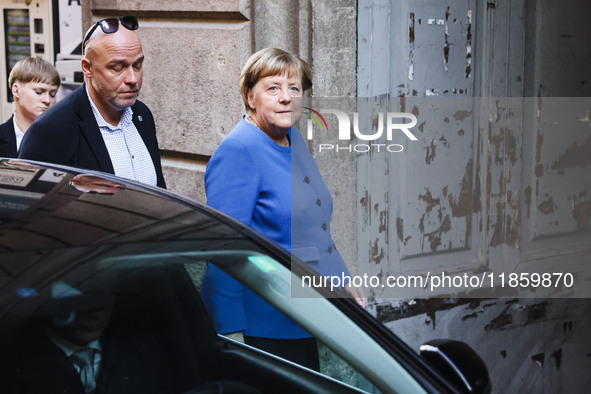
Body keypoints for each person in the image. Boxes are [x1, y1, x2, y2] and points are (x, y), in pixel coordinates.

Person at [201, 47, 364, 371]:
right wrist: (230, 332)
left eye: (295, 88)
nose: (286, 98)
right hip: (264, 326)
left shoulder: (292, 139)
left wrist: (341, 277)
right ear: (251, 97)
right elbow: (223, 249)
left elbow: (313, 224)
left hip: (304, 313)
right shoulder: (239, 150)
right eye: (273, 88)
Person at [18, 16, 166, 188]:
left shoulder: (142, 115)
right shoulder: (50, 131)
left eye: (137, 65)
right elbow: (32, 209)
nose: (133, 78)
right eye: (117, 68)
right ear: (87, 68)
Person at [0, 57, 60, 158]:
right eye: (39, 92)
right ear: (16, 90)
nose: (47, 100)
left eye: (52, 94)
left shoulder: (64, 140)